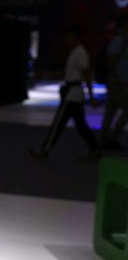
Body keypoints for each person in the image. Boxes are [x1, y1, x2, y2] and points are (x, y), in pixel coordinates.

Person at [31, 27, 99, 159]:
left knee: (59, 123)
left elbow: (86, 73)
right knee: (80, 124)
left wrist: (91, 96)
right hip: (73, 92)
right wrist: (47, 74)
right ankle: (95, 149)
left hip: (72, 94)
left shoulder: (80, 53)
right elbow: (69, 74)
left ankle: (45, 150)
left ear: (75, 38)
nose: (66, 40)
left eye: (68, 37)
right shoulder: (76, 53)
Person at [101, 14, 128, 150]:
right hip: (118, 82)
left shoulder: (122, 40)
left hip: (116, 81)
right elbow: (111, 60)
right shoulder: (120, 40)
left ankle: (104, 139)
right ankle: (112, 138)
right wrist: (117, 78)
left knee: (110, 111)